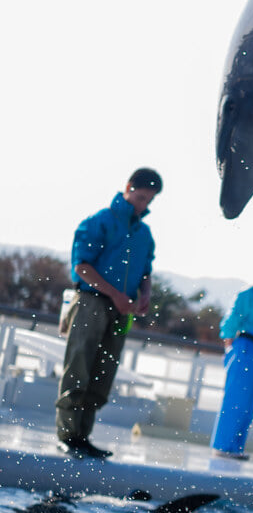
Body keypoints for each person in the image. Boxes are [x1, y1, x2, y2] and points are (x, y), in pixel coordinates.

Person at [55, 167, 162, 459]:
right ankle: (67, 434)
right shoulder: (99, 221)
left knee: (103, 372)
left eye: (149, 200)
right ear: (128, 188)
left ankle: (83, 435)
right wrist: (115, 294)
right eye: (140, 198)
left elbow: (146, 272)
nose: (143, 205)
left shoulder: (144, 234)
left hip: (121, 311)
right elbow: (81, 267)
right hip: (91, 302)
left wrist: (145, 295)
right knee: (79, 366)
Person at [210, 261, 253, 459]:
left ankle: (236, 447)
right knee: (235, 398)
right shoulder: (248, 294)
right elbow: (232, 319)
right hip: (245, 348)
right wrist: (229, 344)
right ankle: (222, 445)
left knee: (249, 402)